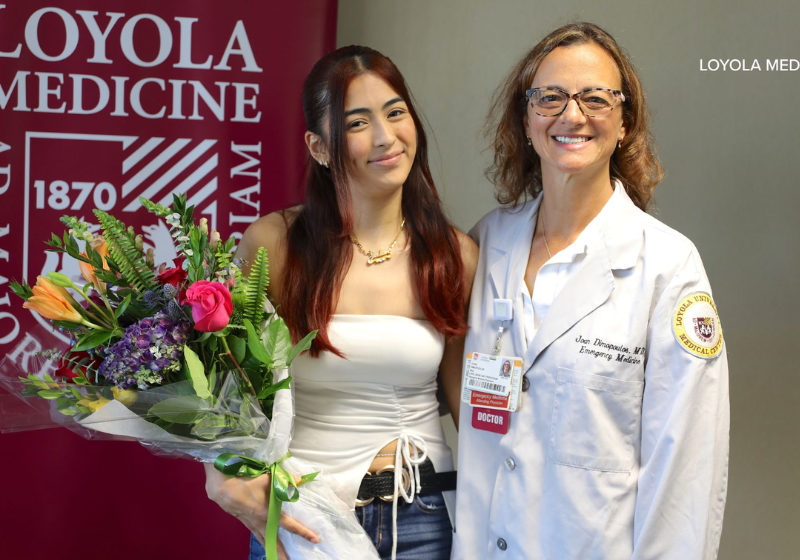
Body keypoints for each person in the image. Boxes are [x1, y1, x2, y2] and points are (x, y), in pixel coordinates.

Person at [453, 22, 729, 559]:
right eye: (550, 97)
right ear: (526, 119)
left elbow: (686, 470)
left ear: (626, 122)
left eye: (596, 98)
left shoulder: (668, 268)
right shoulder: (486, 243)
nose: (572, 115)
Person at [203, 45, 477, 560]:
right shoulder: (275, 244)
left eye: (396, 112)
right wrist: (220, 473)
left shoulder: (454, 255)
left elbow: (467, 401)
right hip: (302, 516)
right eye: (357, 122)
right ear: (320, 146)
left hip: (421, 513)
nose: (385, 136)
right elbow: (227, 389)